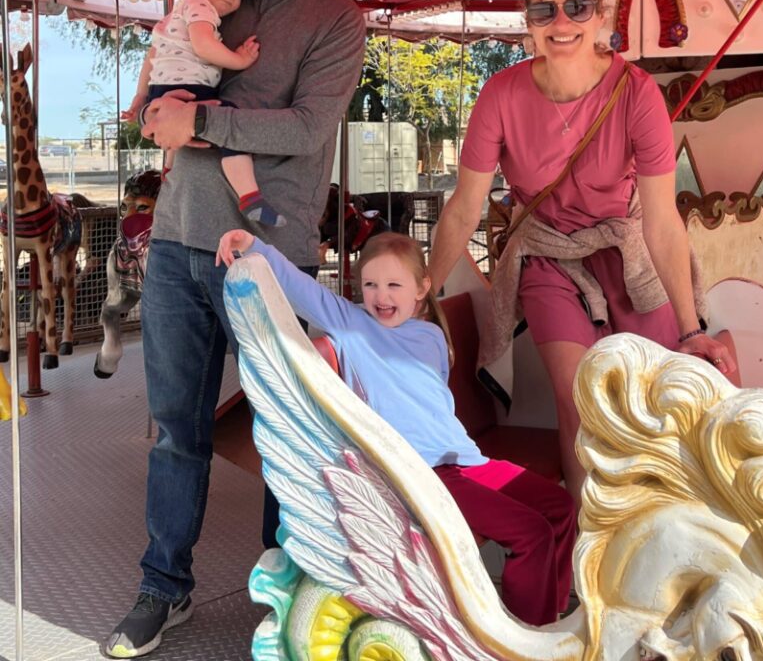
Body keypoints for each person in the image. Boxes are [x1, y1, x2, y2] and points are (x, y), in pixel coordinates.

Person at [101, 0, 366, 660]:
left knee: (284, 430)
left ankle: (284, 589)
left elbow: (305, 131)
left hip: (267, 252)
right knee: (175, 431)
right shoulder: (214, 3)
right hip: (180, 238)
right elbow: (152, 104)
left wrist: (201, 121)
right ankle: (163, 586)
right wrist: (156, 108)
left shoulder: (335, 17)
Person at [427, 0, 735, 501]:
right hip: (549, 254)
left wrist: (691, 329)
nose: (561, 21)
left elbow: (662, 220)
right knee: (577, 400)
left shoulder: (637, 93)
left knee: (656, 396)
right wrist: (425, 287)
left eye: (576, 6)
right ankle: (585, 549)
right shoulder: (501, 95)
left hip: (627, 249)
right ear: (528, 20)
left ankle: (653, 529)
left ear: (599, 15)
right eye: (544, 9)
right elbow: (465, 206)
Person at [217, 228, 577, 627]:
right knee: (531, 534)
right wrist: (254, 246)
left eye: (393, 285)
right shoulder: (352, 326)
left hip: (465, 461)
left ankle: (551, 616)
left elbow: (436, 404)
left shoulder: (432, 336)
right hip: (422, 473)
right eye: (370, 284)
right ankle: (523, 638)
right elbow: (301, 289)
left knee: (560, 509)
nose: (381, 297)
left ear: (422, 288)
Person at [123, 0, 284, 228]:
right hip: (192, 89)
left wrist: (141, 97)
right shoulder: (201, 7)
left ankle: (169, 169)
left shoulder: (172, 16)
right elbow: (203, 46)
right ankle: (250, 196)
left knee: (179, 135)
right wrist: (240, 60)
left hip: (162, 91)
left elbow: (152, 57)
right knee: (230, 127)